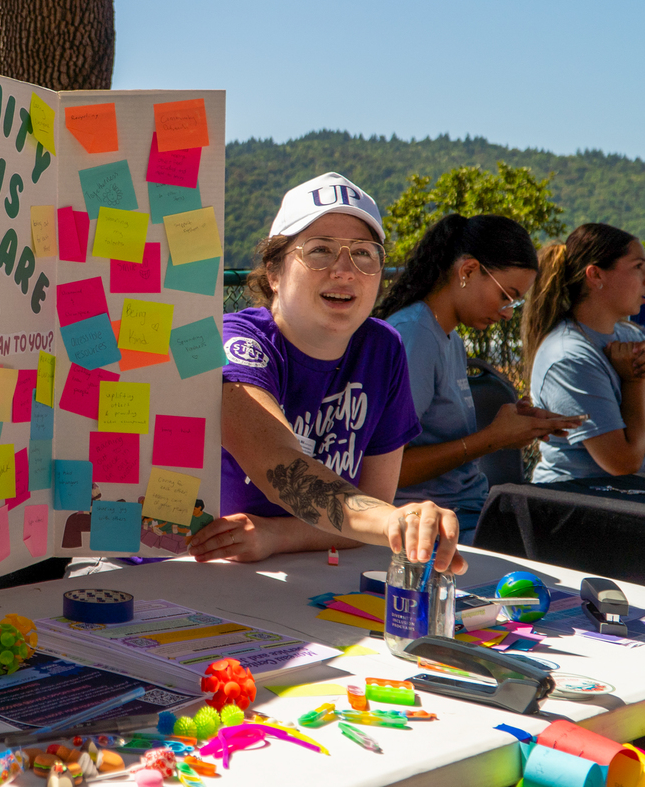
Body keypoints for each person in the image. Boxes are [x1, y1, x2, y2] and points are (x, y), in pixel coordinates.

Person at [188, 172, 466, 574]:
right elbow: (280, 466)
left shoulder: (383, 348)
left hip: (305, 572)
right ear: (274, 271)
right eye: (320, 250)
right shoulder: (237, 343)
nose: (344, 270)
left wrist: (275, 535)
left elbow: (371, 504)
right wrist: (393, 522)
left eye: (365, 253)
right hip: (179, 568)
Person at [376, 215, 583, 543]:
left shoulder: (450, 338)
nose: (507, 313)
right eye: (506, 296)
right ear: (468, 271)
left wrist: (514, 428)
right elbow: (388, 470)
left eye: (514, 303)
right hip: (434, 524)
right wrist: (493, 438)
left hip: (470, 511)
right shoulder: (415, 335)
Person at [523, 223, 645, 481]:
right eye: (638, 267)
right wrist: (633, 381)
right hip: (580, 505)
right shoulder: (568, 357)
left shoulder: (630, 335)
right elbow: (622, 462)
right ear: (596, 275)